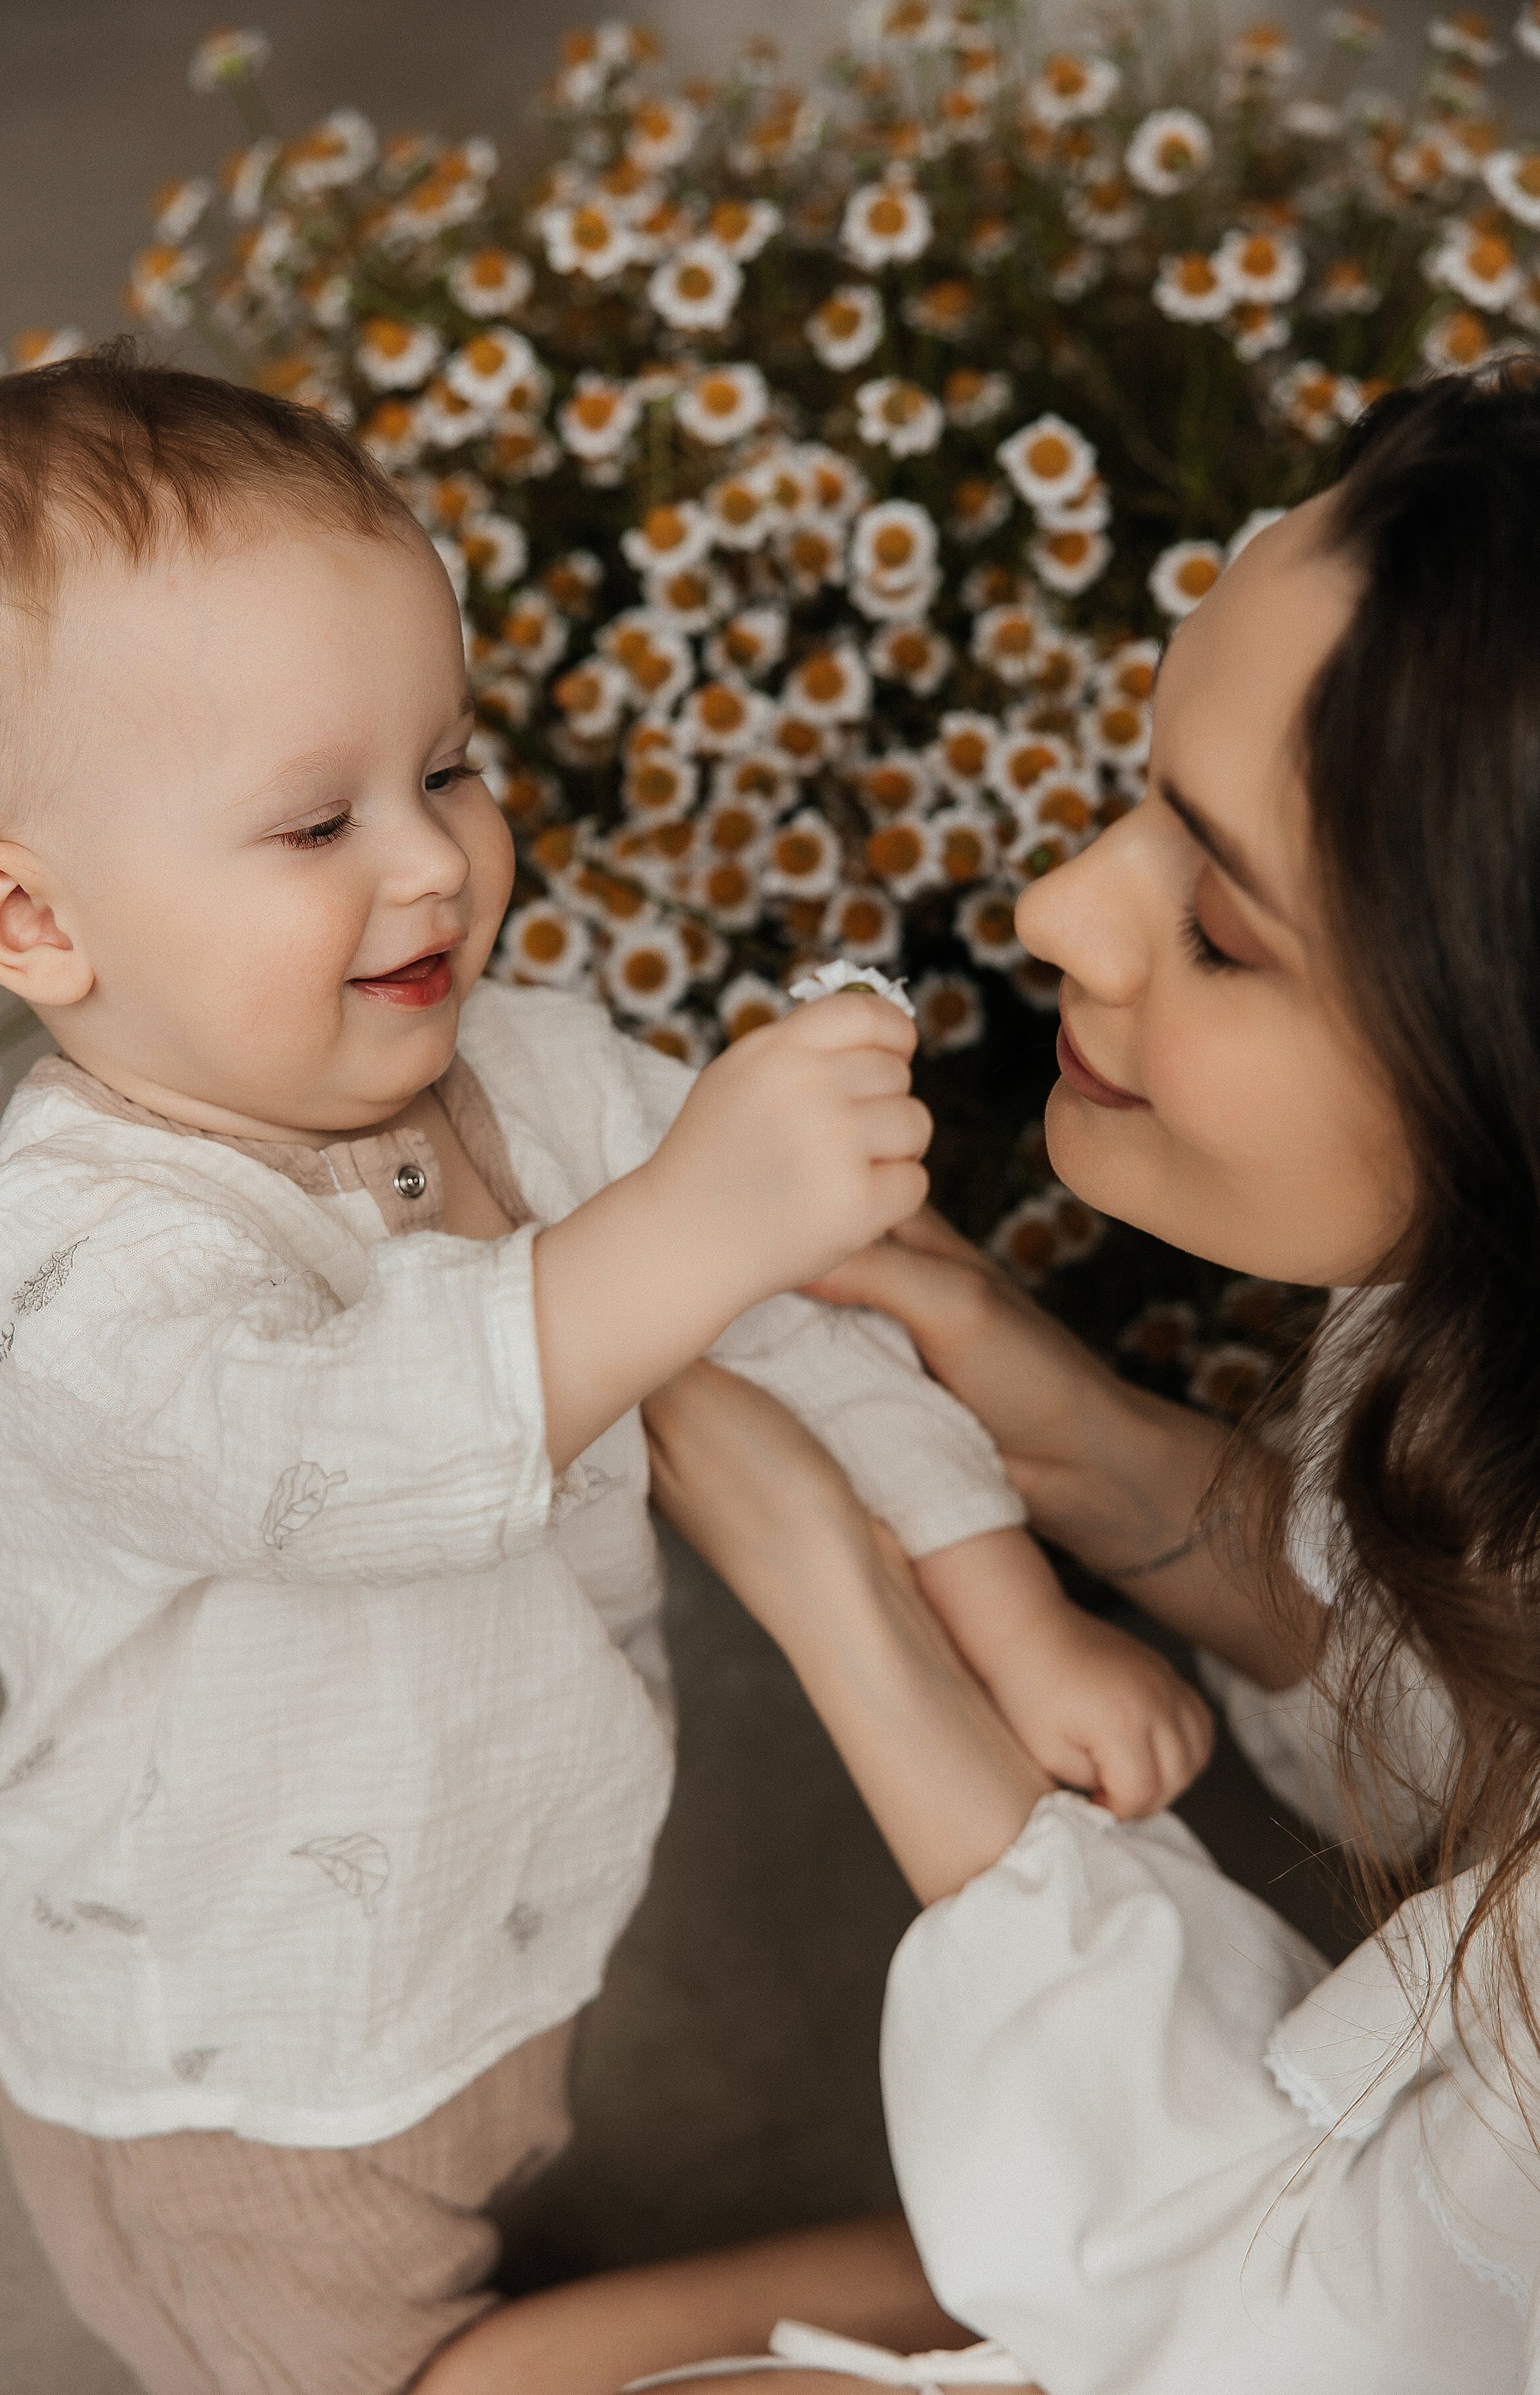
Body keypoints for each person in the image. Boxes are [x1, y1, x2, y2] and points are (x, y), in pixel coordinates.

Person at [0, 348, 1208, 2395]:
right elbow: (333, 1461)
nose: (436, 861)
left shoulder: (521, 1069)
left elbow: (799, 1312)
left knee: (505, 2221)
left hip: (497, 1931)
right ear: (33, 920)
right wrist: (688, 1221)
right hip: (237, 2076)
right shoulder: (66, 1268)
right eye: (310, 822)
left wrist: (1008, 1613)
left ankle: (1034, 2249)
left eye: (447, 767)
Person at [422, 364, 1540, 2393]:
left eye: (1212, 921)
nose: (1052, 911)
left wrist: (862, 1619)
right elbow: (1484, 1701)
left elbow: (1288, 2348)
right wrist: (1086, 1447)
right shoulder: (1479, 1313)